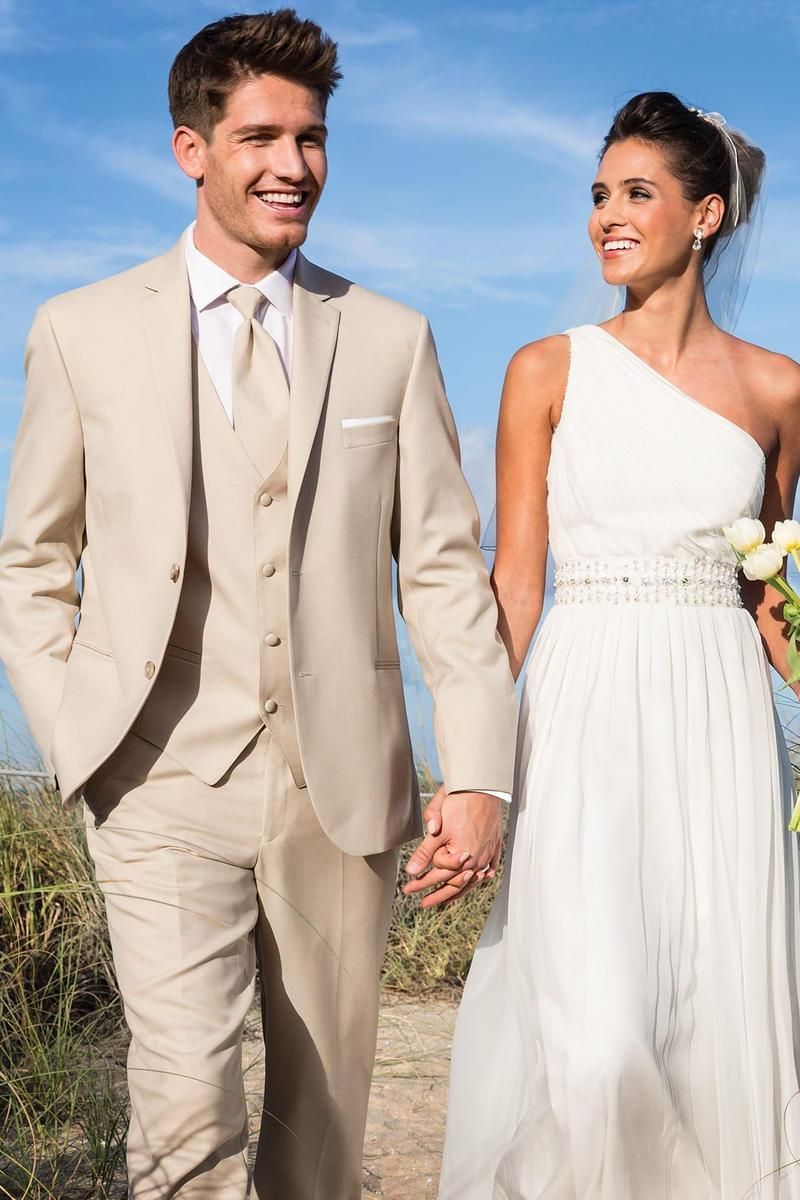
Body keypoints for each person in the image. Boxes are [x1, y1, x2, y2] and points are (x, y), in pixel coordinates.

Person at [0, 9, 518, 1198]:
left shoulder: (388, 337)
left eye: (313, 138)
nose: (293, 165)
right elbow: (30, 563)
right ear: (192, 149)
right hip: (157, 778)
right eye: (260, 137)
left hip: (341, 785)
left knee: (320, 1131)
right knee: (186, 1110)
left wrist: (479, 772)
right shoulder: (79, 331)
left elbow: (440, 570)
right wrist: (83, 728)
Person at [431, 91, 800, 1198]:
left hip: (720, 728)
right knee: (590, 1048)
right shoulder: (544, 370)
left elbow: (767, 588)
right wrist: (474, 770)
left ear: (705, 215)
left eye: (634, 194)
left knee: (705, 1032)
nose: (604, 217)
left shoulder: (779, 389)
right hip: (582, 716)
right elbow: (515, 582)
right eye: (596, 195)